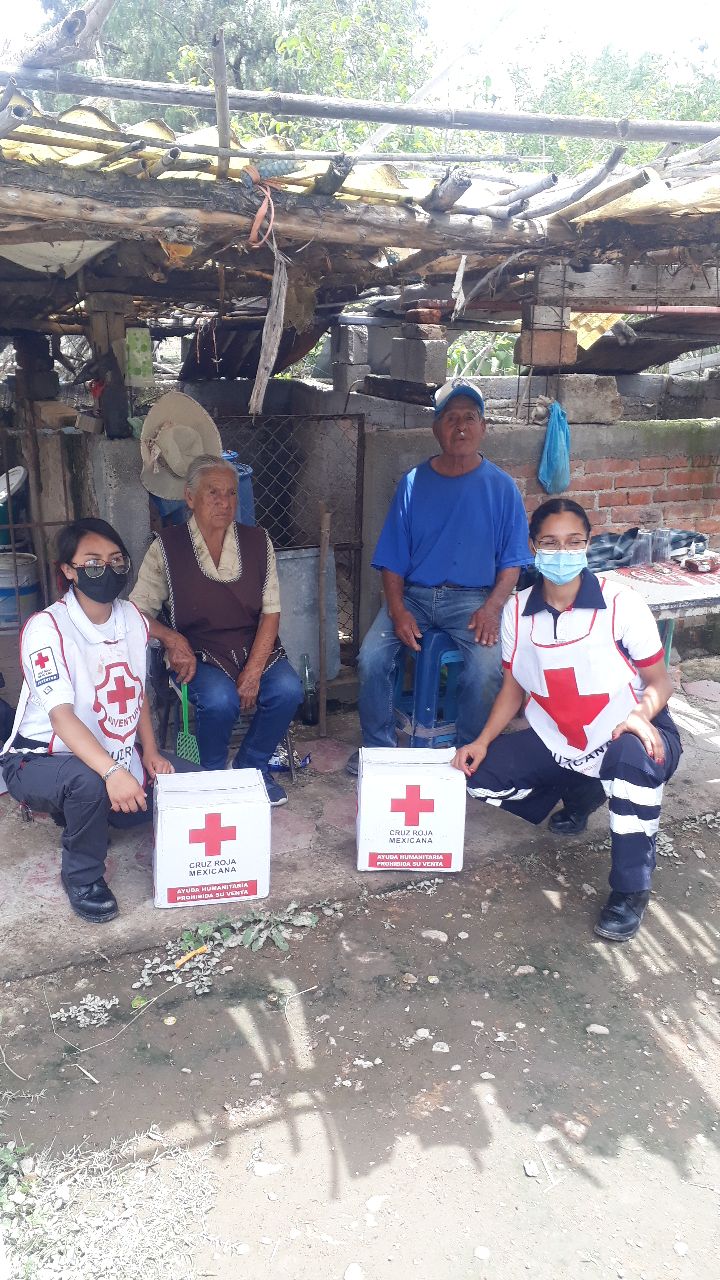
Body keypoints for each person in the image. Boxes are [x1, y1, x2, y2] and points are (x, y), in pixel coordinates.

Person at [453, 497, 682, 942]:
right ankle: (584, 790)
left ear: (588, 544)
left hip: (627, 731)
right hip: (558, 737)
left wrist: (640, 716)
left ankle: (630, 889)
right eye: (550, 543)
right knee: (476, 777)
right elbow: (514, 688)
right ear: (533, 547)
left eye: (574, 541)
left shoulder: (620, 603)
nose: (562, 552)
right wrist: (481, 741)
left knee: (633, 764)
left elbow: (660, 681)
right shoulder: (517, 613)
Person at [1, 518, 192, 924]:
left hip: (111, 752)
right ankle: (84, 877)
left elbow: (135, 692)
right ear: (68, 570)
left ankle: (85, 809)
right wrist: (112, 773)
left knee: (186, 781)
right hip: (38, 760)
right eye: (91, 562)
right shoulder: (47, 628)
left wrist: (153, 753)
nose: (104, 570)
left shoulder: (131, 620)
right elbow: (61, 717)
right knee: (87, 783)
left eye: (115, 560)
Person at [348, 377, 529, 775]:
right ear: (436, 429)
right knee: (370, 659)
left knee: (485, 671)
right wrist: (396, 610)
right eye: (450, 418)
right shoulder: (413, 484)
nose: (460, 426)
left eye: (469, 417)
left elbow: (513, 563)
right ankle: (377, 752)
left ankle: (470, 751)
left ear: (483, 427)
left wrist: (492, 608)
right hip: (414, 595)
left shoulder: (502, 489)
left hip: (472, 599)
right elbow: (392, 560)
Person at [130, 454, 302, 806]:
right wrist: (172, 638)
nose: (224, 503)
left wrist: (254, 670)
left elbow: (271, 613)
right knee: (220, 700)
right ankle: (210, 776)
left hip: (253, 646)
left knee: (287, 690)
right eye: (213, 493)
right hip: (198, 652)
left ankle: (251, 768)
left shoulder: (258, 541)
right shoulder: (166, 547)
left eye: (231, 494)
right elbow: (135, 613)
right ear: (190, 497)